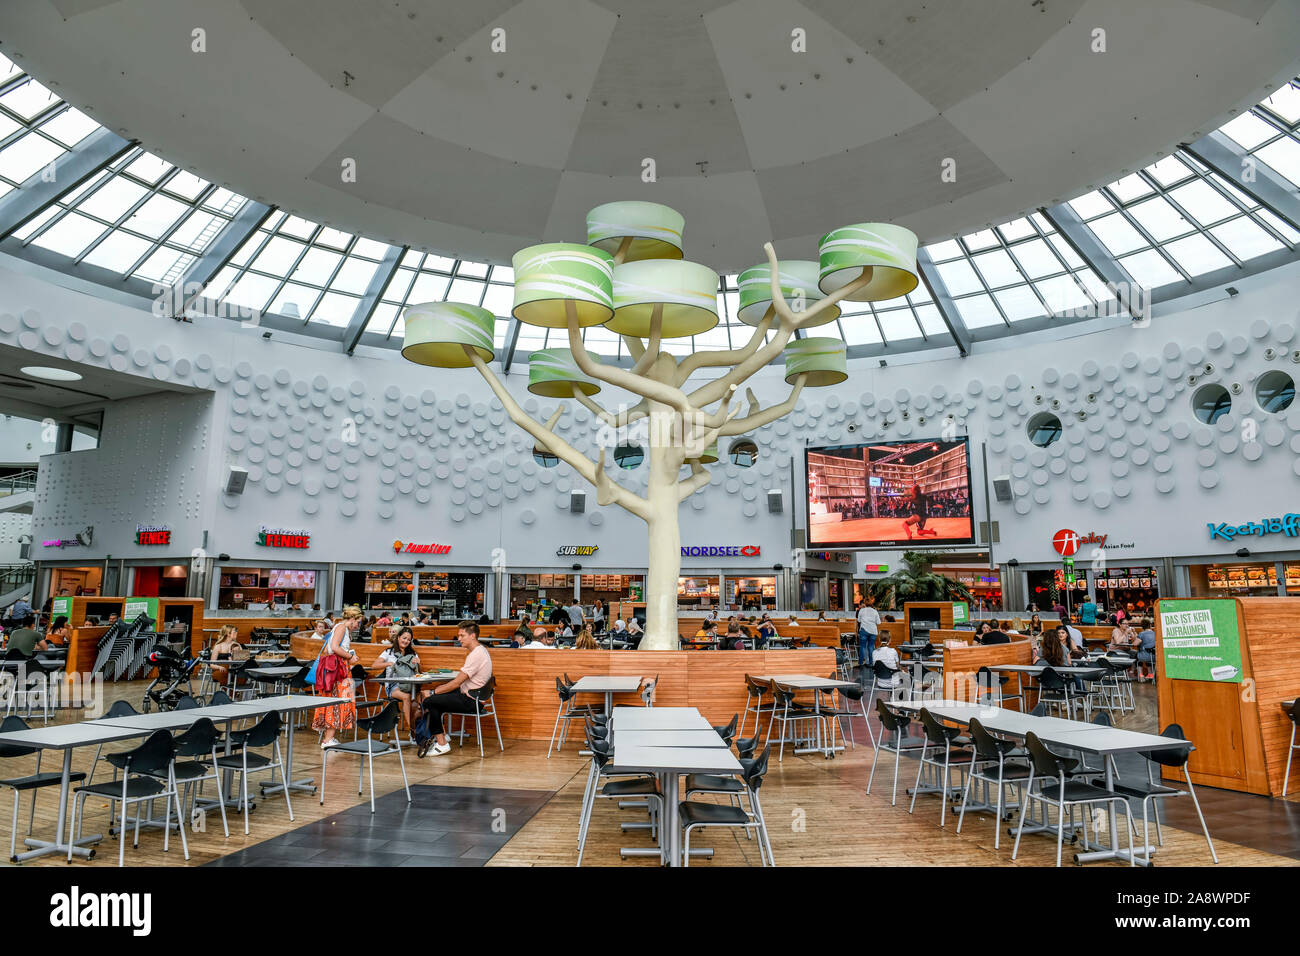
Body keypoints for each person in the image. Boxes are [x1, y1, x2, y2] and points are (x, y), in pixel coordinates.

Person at [418, 622, 492, 757]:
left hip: (471, 701)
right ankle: (443, 737)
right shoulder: (480, 651)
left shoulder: (476, 654)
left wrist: (434, 691)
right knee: (434, 701)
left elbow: (457, 683)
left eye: (462, 635)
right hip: (473, 697)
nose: (459, 639)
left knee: (429, 701)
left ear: (473, 636)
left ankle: (442, 744)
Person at [314, 606, 363, 750]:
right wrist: (350, 656)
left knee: (336, 701)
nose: (358, 626)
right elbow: (334, 647)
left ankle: (329, 737)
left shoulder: (341, 628)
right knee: (336, 701)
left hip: (338, 669)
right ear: (353, 618)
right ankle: (327, 740)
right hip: (337, 670)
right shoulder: (342, 627)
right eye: (358, 622)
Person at [377, 626, 423, 729]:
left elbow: (420, 671)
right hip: (393, 686)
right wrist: (389, 663)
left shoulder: (412, 653)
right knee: (406, 697)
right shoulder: (388, 652)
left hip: (410, 685)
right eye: (404, 638)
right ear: (398, 637)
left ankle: (423, 727)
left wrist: (419, 664)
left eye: (408, 639)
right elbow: (375, 665)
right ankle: (412, 730)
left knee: (425, 695)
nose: (406, 641)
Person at [856, 597, 880, 673]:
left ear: (865, 603)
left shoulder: (861, 611)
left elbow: (859, 620)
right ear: (871, 603)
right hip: (873, 631)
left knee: (862, 647)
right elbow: (878, 622)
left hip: (864, 630)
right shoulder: (875, 611)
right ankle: (871, 663)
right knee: (871, 647)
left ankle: (860, 663)